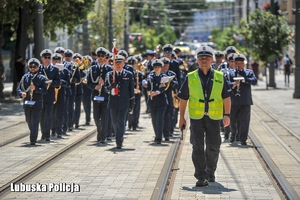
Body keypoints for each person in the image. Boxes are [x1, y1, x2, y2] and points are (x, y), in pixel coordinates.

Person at [178, 45, 231, 186]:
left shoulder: (220, 76)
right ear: (197, 60)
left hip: (214, 118)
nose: (204, 60)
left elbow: (226, 97)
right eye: (201, 58)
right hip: (196, 118)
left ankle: (210, 172)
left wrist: (227, 114)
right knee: (197, 147)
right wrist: (181, 117)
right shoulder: (191, 77)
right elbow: (183, 98)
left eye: (207, 58)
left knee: (213, 146)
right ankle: (201, 176)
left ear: (212, 60)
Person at [105, 55, 134, 149]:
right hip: (113, 102)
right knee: (114, 122)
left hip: (124, 103)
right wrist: (111, 86)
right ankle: (119, 136)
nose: (118, 65)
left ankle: (119, 141)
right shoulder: (110, 74)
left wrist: (132, 104)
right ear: (113, 64)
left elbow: (131, 90)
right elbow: (105, 89)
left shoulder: (128, 74)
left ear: (123, 63)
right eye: (116, 63)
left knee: (121, 122)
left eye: (119, 63)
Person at [17, 58, 47, 145]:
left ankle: (33, 139)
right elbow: (19, 88)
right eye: (31, 66)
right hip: (27, 102)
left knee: (35, 120)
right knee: (29, 120)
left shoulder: (42, 78)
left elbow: (44, 90)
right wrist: (21, 93)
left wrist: (36, 89)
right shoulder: (25, 77)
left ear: (38, 67)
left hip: (37, 102)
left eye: (35, 66)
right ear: (28, 67)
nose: (33, 68)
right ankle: (33, 132)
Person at [229, 54, 257, 145]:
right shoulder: (230, 73)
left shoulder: (249, 72)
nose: (239, 65)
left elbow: (254, 81)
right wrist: (233, 84)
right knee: (233, 120)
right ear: (234, 64)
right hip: (233, 101)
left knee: (244, 121)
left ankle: (243, 139)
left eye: (241, 63)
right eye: (237, 63)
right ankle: (233, 133)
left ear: (244, 64)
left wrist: (244, 80)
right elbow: (225, 83)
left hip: (245, 100)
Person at [87, 47, 112, 144]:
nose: (101, 58)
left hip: (106, 96)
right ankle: (99, 131)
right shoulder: (92, 69)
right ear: (97, 57)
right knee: (96, 117)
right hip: (96, 96)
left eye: (102, 56)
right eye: (99, 56)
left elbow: (112, 84)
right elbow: (88, 83)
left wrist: (104, 84)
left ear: (105, 57)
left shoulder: (109, 69)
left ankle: (103, 136)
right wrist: (95, 87)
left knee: (105, 117)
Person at [145, 59, 169, 144]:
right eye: (155, 67)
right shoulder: (150, 76)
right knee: (154, 120)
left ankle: (159, 137)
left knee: (159, 119)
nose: (157, 69)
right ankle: (157, 135)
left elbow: (164, 87)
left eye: (158, 67)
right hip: (152, 101)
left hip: (162, 101)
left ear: (161, 67)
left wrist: (157, 91)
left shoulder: (164, 76)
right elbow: (148, 87)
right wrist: (154, 88)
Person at [39, 49, 60, 141]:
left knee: (48, 115)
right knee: (41, 116)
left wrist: (51, 82)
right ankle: (43, 132)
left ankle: (47, 135)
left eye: (49, 57)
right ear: (42, 58)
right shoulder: (38, 68)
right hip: (40, 95)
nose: (47, 59)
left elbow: (58, 82)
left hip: (50, 95)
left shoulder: (55, 69)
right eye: (45, 57)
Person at [51, 53, 70, 138]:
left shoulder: (65, 71)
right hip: (51, 93)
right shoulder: (50, 70)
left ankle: (59, 130)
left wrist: (61, 81)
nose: (56, 62)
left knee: (60, 113)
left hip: (61, 93)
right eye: (54, 60)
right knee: (51, 113)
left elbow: (68, 83)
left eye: (58, 60)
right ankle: (52, 130)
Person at [161, 57, 179, 141]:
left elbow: (177, 85)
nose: (165, 67)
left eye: (167, 65)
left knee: (168, 117)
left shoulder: (172, 74)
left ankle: (168, 133)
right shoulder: (158, 73)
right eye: (163, 65)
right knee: (160, 117)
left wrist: (170, 81)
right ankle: (160, 133)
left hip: (169, 98)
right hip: (159, 98)